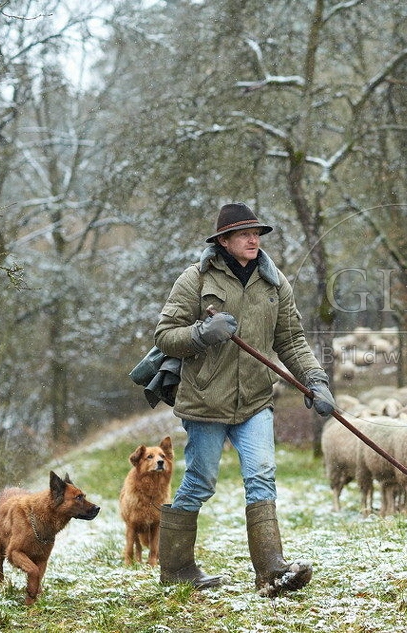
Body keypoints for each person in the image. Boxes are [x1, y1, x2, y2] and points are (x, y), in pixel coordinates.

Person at [153, 202, 335, 597]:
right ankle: (177, 568)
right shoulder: (194, 279)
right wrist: (201, 334)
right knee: (199, 483)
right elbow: (165, 335)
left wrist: (316, 380)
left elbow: (290, 340)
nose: (254, 239)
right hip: (205, 401)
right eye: (244, 234)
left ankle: (271, 571)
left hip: (254, 399)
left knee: (262, 476)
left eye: (257, 233)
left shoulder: (274, 282)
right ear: (223, 241)